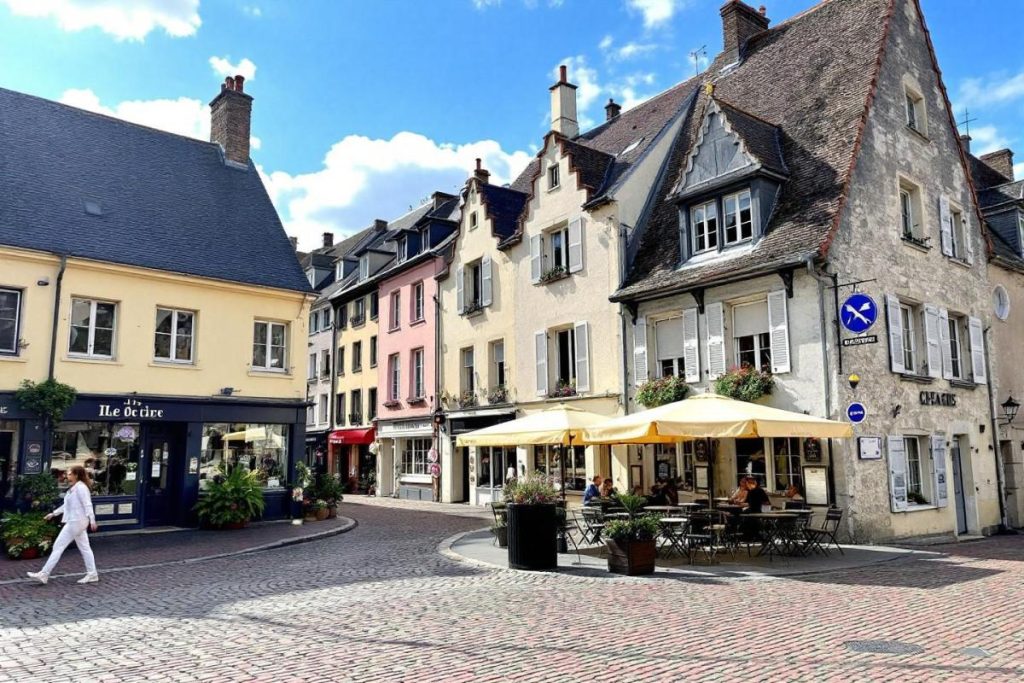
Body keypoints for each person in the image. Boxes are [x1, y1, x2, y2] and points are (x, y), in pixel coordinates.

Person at [27, 465, 99, 585]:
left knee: (58, 547)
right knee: (85, 548)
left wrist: (92, 520)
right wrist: (54, 514)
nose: (67, 476)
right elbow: (67, 505)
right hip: (76, 521)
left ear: (76, 475)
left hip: (76, 521)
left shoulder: (80, 488)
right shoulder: (74, 488)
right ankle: (92, 574)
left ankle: (44, 574)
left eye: (70, 474)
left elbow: (88, 504)